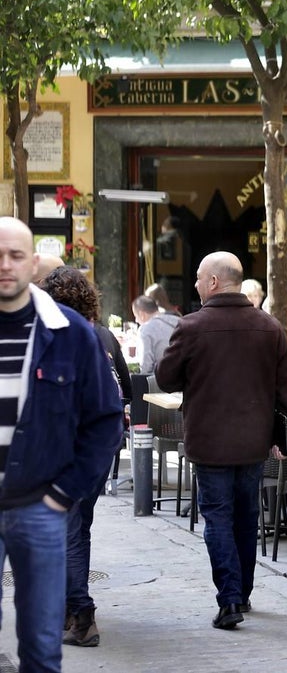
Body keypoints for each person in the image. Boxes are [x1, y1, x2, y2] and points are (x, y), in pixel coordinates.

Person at [0, 217, 123, 670]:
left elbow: (107, 416)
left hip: (41, 499)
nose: (5, 265)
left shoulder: (71, 332)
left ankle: (76, 618)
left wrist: (63, 491)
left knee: (39, 639)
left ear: (32, 265)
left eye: (15, 255)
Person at [155, 251, 287, 630]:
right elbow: (286, 390)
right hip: (253, 443)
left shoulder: (191, 327)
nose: (196, 284)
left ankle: (230, 598)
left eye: (199, 278)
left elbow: (166, 378)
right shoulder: (269, 327)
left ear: (214, 282)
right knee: (246, 517)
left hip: (209, 442)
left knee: (217, 517)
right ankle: (243, 592)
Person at [39, 266, 133, 649]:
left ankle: (82, 616)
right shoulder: (103, 335)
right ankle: (69, 609)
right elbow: (126, 389)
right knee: (77, 527)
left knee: (67, 528)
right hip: (99, 447)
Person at [132, 295, 180, 374]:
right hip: (186, 376)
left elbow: (146, 366)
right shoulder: (179, 321)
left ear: (141, 314)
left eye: (136, 316)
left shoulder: (145, 329)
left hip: (163, 378)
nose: (136, 320)